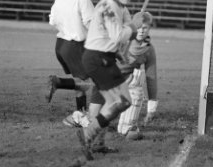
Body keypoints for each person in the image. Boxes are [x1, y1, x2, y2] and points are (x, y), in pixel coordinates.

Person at [76, 0, 144, 161]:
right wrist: (135, 25)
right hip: (97, 59)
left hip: (103, 56)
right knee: (119, 101)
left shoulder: (118, 6)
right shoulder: (110, 6)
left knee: (119, 101)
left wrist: (118, 53)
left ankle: (96, 143)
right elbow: (118, 35)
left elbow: (108, 37)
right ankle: (88, 135)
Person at [64, 11, 158, 144]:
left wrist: (151, 106)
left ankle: (127, 125)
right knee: (94, 120)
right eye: (139, 27)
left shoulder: (149, 49)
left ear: (150, 29)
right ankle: (79, 117)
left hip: (126, 85)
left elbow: (151, 77)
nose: (142, 31)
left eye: (145, 28)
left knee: (137, 82)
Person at [46, 0, 94, 112]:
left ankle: (80, 113)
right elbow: (91, 24)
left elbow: (52, 21)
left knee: (79, 80)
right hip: (75, 46)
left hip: (61, 45)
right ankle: (57, 82)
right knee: (90, 83)